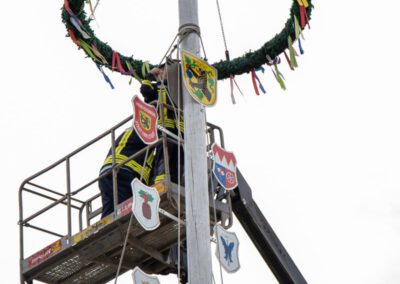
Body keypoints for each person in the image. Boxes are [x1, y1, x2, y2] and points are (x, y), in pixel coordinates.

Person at [98, 64, 183, 218]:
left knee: (110, 216)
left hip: (107, 174)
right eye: (162, 72)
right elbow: (145, 90)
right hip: (126, 172)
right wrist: (151, 76)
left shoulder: (179, 90)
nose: (164, 74)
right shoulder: (146, 134)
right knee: (128, 216)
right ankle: (161, 185)